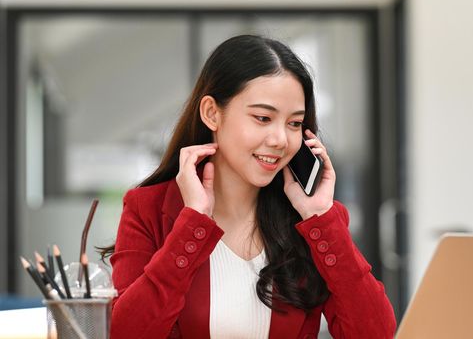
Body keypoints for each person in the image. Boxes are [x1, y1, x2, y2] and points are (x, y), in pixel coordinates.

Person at [100, 35, 396, 339]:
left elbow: (375, 334)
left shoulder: (316, 220)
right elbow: (126, 333)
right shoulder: (148, 208)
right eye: (263, 118)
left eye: (294, 123)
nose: (280, 139)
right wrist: (193, 225)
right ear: (212, 113)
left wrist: (320, 219)